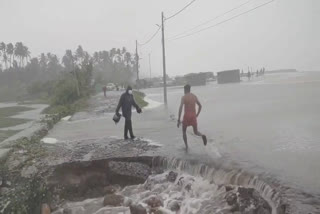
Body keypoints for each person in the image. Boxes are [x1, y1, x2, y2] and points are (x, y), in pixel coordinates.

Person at [177, 84, 207, 150]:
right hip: (193, 116)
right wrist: (197, 114)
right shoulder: (194, 96)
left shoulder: (184, 97)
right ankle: (202, 135)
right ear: (189, 89)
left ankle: (187, 146)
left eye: (184, 90)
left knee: (184, 131)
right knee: (196, 132)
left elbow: (180, 108)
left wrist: (179, 119)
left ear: (185, 90)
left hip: (187, 116)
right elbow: (200, 106)